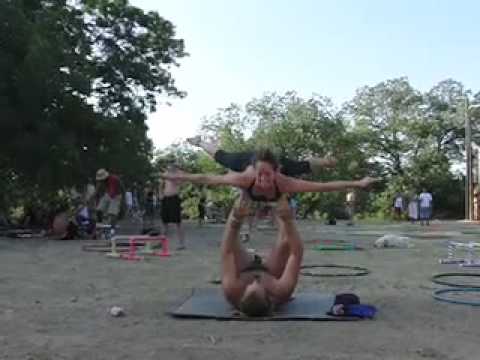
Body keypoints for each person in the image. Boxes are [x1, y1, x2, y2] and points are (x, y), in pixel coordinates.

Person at [160, 148, 378, 203]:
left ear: (276, 172)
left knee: (301, 165)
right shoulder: (244, 178)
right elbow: (208, 179)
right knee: (222, 158)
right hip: (247, 160)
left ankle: (325, 160)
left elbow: (323, 186)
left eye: (267, 175)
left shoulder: (284, 181)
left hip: (274, 165)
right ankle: (202, 143)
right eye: (260, 175)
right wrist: (181, 177)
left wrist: (358, 183)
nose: (263, 179)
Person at [221, 194, 303, 316]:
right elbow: (296, 253)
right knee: (286, 241)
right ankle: (278, 197)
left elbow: (226, 251)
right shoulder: (281, 290)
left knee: (232, 243)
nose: (255, 280)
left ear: (242, 296)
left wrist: (235, 220)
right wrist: (288, 219)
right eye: (258, 283)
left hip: (243, 270)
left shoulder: (232, 289)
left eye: (250, 285)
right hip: (271, 273)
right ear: (269, 297)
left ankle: (244, 195)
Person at [187, 136, 336, 177]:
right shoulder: (245, 170)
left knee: (222, 156)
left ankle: (200, 142)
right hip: (249, 161)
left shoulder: (284, 170)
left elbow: (307, 164)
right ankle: (199, 142)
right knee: (222, 157)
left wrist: (324, 162)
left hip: (263, 161)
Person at [161, 163, 186, 250]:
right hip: (165, 198)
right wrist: (160, 194)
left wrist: (171, 176)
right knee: (164, 221)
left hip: (174, 198)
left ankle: (181, 244)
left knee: (177, 222)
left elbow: (179, 182)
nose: (169, 168)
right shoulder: (166, 173)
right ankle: (162, 242)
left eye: (171, 167)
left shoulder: (179, 173)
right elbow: (161, 184)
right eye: (169, 167)